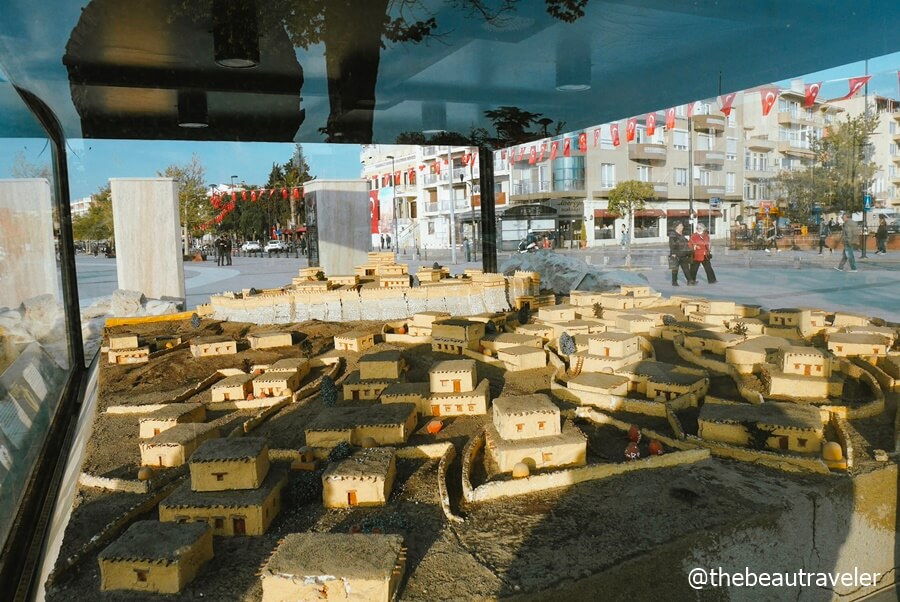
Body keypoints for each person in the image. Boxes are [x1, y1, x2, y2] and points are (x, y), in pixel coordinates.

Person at [668, 222, 694, 286]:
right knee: (675, 269)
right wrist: (673, 253)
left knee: (686, 268)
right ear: (677, 227)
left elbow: (686, 243)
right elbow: (672, 244)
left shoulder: (682, 234)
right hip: (676, 254)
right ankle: (674, 282)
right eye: (681, 225)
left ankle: (690, 281)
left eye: (682, 225)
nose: (682, 227)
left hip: (684, 254)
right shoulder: (673, 234)